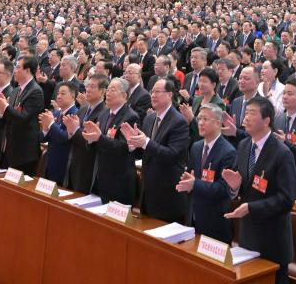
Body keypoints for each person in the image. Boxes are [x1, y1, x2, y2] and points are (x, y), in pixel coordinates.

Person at [221, 96, 296, 284]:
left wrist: (252, 208)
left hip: (273, 238)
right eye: (245, 113)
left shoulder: (282, 153)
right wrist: (234, 187)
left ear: (266, 120)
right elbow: (241, 189)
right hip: (248, 234)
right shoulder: (244, 145)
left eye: (252, 114)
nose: (245, 118)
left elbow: (287, 199)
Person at [122, 77, 190, 223]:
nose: (153, 95)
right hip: (148, 191)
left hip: (168, 193)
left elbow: (172, 154)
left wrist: (145, 142)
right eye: (152, 91)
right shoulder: (149, 118)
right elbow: (145, 152)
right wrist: (133, 144)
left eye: (158, 92)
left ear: (170, 95)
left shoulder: (179, 122)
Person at [176, 104, 236, 241]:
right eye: (199, 118)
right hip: (193, 217)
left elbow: (223, 189)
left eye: (205, 119)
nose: (200, 123)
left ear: (218, 123)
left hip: (214, 222)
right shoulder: (196, 147)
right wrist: (186, 180)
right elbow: (192, 177)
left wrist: (194, 184)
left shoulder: (228, 152)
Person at [81, 77, 138, 205]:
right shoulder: (104, 114)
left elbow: (123, 147)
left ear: (124, 95)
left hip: (119, 180)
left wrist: (99, 138)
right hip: (102, 176)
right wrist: (90, 140)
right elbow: (98, 143)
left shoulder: (130, 116)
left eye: (113, 90)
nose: (108, 92)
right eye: (108, 89)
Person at [0, 55, 45, 174]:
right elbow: (9, 116)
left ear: (27, 71)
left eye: (17, 67)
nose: (15, 71)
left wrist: (5, 107)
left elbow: (23, 118)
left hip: (24, 151)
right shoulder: (16, 90)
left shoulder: (35, 91)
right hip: (10, 148)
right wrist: (1, 111)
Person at [63, 73, 107, 193]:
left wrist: (75, 130)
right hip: (73, 163)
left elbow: (90, 143)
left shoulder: (104, 113)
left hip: (88, 167)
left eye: (92, 87)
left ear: (103, 91)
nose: (88, 89)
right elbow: (72, 135)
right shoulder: (82, 109)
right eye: (87, 86)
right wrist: (71, 131)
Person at [39, 80, 80, 183]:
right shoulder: (57, 113)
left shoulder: (75, 114)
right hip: (50, 161)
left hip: (63, 164)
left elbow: (64, 138)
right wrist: (44, 128)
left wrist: (51, 124)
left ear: (72, 96)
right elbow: (44, 138)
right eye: (58, 93)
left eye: (63, 93)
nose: (59, 96)